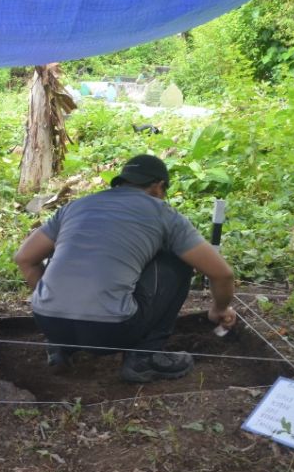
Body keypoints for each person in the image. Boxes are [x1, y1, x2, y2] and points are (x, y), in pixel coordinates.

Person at [14, 154, 237, 383]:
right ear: (159, 187)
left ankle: (61, 349)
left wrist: (52, 300)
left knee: (66, 253)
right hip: (111, 330)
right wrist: (219, 309)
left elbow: (24, 258)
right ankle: (144, 359)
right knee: (179, 262)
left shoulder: (76, 206)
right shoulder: (162, 213)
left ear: (122, 181)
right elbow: (221, 273)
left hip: (48, 323)